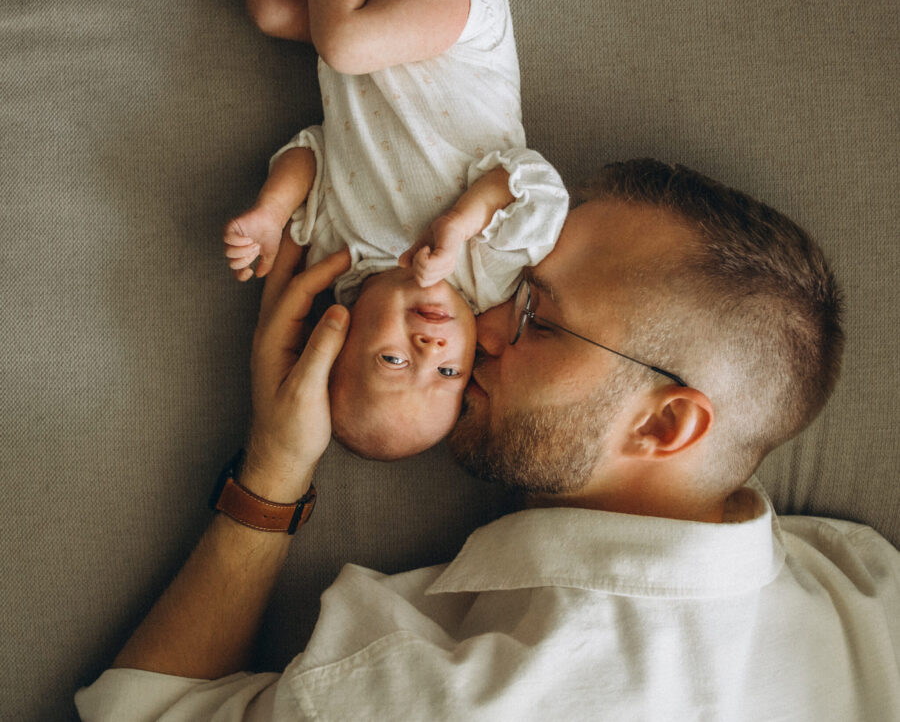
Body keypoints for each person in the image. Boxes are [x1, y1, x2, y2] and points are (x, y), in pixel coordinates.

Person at [76, 156, 900, 720]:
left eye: (537, 316)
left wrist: (274, 470)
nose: (481, 319)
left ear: (664, 423)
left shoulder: (445, 701)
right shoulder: (869, 584)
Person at [192, 0, 567, 461]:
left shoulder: (339, 253)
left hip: (357, 11)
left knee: (268, 9)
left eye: (393, 359)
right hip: (453, 15)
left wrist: (270, 212)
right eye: (449, 375)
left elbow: (311, 153)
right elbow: (534, 182)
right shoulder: (490, 271)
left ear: (342, 332)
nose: (429, 352)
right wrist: (460, 221)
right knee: (340, 44)